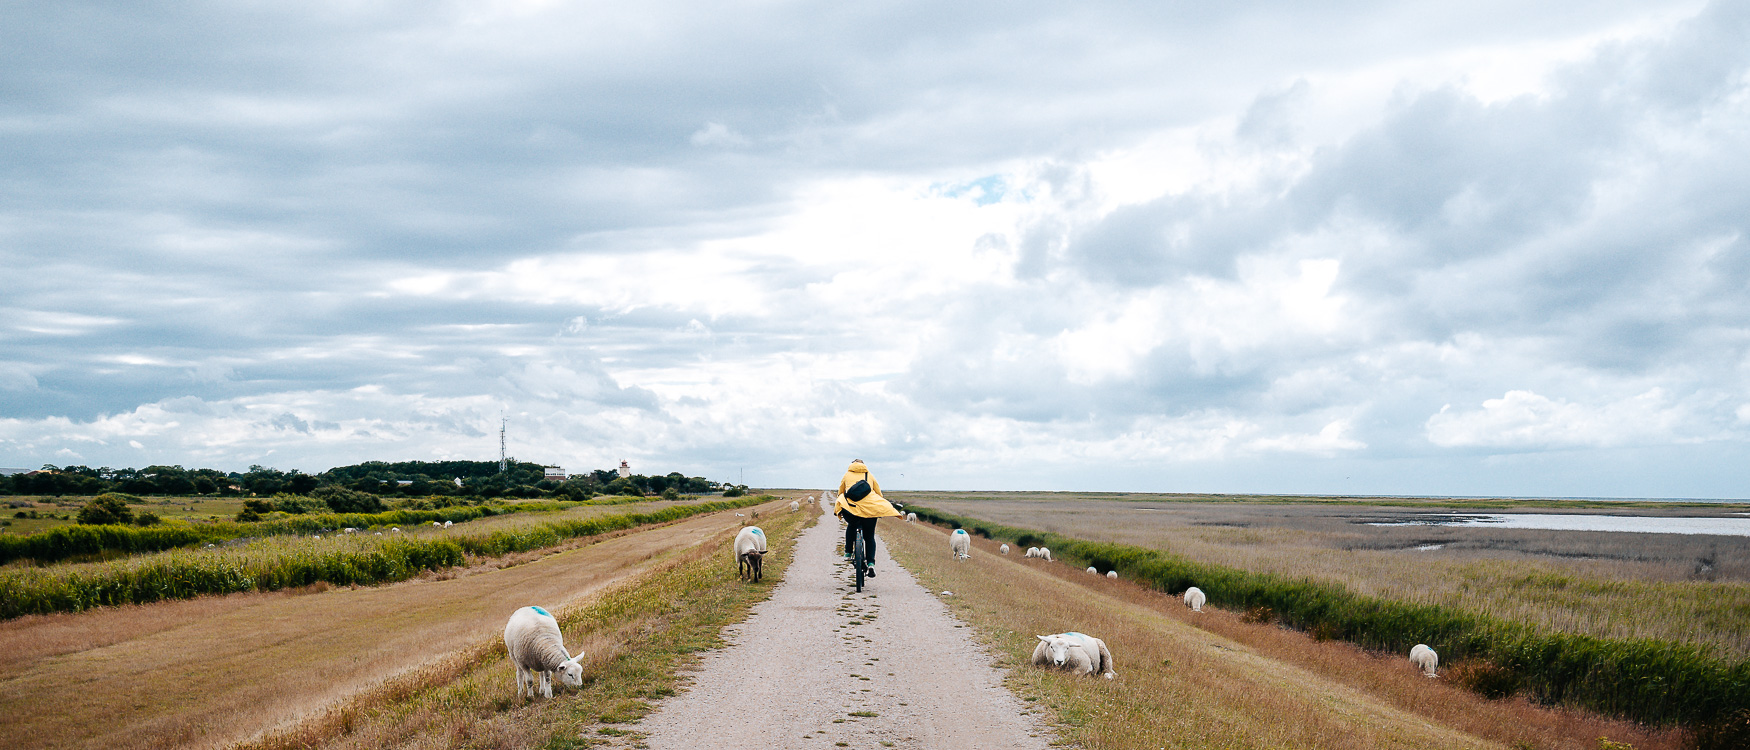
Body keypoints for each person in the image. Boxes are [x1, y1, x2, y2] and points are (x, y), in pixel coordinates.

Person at [833, 459, 901, 577]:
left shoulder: (847, 475)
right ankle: (870, 564)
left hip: (852, 509)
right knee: (869, 537)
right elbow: (879, 493)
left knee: (851, 526)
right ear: (863, 465)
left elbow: (841, 492)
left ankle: (848, 552)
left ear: (852, 465)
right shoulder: (869, 475)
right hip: (870, 510)